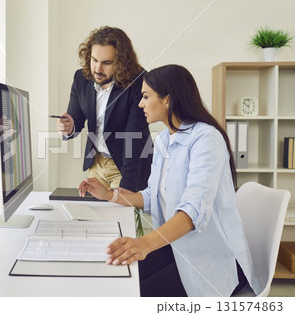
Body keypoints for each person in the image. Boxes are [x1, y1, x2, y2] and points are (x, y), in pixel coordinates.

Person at [78, 64, 261, 297]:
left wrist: (143, 244)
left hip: (212, 260)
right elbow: (151, 195)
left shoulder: (206, 139)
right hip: (177, 248)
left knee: (130, 294)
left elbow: (193, 211)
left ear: (168, 99)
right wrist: (109, 194)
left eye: (145, 96)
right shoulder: (165, 139)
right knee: (116, 277)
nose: (140, 103)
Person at [56, 26, 152, 192]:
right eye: (94, 60)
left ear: (122, 62)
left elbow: (133, 138)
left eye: (107, 63)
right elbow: (76, 120)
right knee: (92, 215)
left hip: (125, 165)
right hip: (96, 163)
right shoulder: (81, 78)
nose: (98, 69)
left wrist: (127, 190)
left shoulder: (138, 82)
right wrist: (69, 127)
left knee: (118, 214)